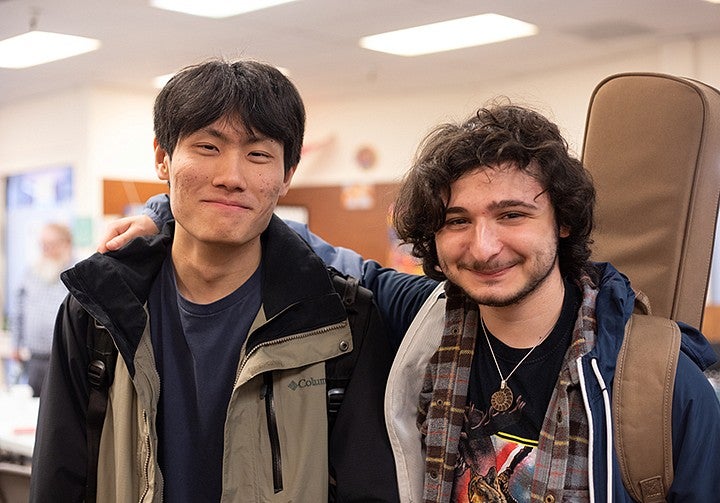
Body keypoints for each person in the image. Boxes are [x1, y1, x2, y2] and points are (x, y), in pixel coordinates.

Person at [102, 103, 720, 501]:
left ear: (561, 222)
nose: (484, 246)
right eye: (457, 221)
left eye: (511, 214)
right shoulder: (423, 322)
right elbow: (303, 246)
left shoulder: (653, 381)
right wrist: (169, 214)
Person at [31, 59, 400, 502]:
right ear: (162, 159)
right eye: (207, 147)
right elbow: (59, 480)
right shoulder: (96, 312)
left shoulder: (341, 319)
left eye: (259, 154)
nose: (231, 177)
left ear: (287, 175)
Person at [11, 222, 74, 397]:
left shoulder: (76, 273)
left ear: (66, 244)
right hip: (35, 358)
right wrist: (16, 344)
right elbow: (19, 309)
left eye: (51, 245)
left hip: (64, 358)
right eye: (43, 245)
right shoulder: (31, 272)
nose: (46, 250)